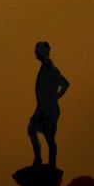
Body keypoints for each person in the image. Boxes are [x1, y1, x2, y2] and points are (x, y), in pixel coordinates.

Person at [27, 41, 69, 169]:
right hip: (41, 108)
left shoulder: (50, 68)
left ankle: (51, 165)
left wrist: (55, 97)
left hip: (49, 110)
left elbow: (65, 83)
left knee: (49, 138)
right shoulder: (45, 67)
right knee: (31, 130)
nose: (35, 52)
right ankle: (38, 159)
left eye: (37, 50)